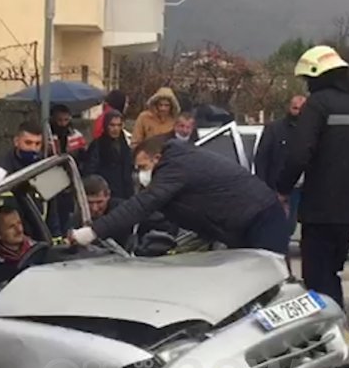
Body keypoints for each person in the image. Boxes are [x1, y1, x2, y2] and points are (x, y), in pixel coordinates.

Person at [276, 45, 349, 309]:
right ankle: (336, 327)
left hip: (319, 211)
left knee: (317, 278)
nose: (307, 87)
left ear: (318, 77)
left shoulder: (318, 105)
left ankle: (331, 334)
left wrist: (282, 189)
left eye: (309, 80)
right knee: (332, 273)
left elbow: (299, 154)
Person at [68, 135, 288, 254]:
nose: (140, 174)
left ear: (157, 158)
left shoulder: (175, 165)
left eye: (143, 166)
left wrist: (92, 232)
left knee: (269, 282)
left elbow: (144, 204)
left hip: (260, 219)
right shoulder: (179, 164)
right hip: (247, 223)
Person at [254, 94, 307, 239]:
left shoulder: (311, 131)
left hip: (303, 187)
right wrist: (264, 186)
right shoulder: (275, 129)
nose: (298, 112)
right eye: (295, 108)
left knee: (294, 226)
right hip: (278, 187)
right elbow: (261, 158)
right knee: (282, 225)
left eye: (302, 109)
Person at [83, 111, 134, 200]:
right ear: (106, 126)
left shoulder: (125, 144)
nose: (116, 129)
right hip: (105, 191)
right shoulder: (98, 145)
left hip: (124, 191)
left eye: (119, 125)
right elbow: (90, 169)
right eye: (112, 125)